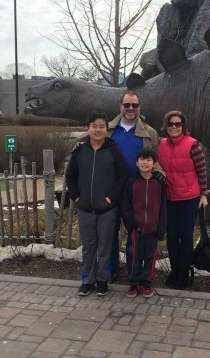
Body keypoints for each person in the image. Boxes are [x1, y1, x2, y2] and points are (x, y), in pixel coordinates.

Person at [66, 112, 128, 297]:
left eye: (102, 126)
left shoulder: (113, 151)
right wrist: (77, 198)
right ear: (88, 128)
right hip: (85, 208)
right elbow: (70, 176)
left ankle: (102, 280)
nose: (98, 129)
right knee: (89, 246)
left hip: (107, 209)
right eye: (94, 125)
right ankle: (88, 281)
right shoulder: (79, 151)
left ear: (106, 129)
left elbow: (122, 177)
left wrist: (110, 199)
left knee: (105, 246)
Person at [107, 91, 160, 278]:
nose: (130, 109)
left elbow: (156, 160)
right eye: (127, 105)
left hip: (137, 190)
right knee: (109, 231)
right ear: (120, 106)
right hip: (112, 188)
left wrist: (159, 176)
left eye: (134, 105)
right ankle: (110, 270)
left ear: (139, 108)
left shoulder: (150, 132)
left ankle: (133, 272)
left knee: (134, 233)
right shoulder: (108, 130)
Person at [157, 110, 208, 290]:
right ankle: (175, 269)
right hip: (169, 197)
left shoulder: (192, 145)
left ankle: (183, 273)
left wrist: (204, 194)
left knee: (185, 237)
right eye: (171, 124)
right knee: (171, 236)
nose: (174, 127)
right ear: (166, 126)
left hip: (188, 197)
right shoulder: (161, 144)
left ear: (183, 126)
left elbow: (201, 170)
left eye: (178, 124)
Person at [121, 148, 167, 298]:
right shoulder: (131, 182)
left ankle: (147, 284)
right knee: (134, 256)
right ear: (136, 162)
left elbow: (163, 207)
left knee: (150, 257)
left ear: (154, 164)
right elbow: (126, 205)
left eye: (148, 160)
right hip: (136, 229)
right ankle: (134, 284)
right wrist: (131, 224)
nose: (145, 162)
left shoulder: (159, 184)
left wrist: (161, 228)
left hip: (153, 229)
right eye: (142, 159)